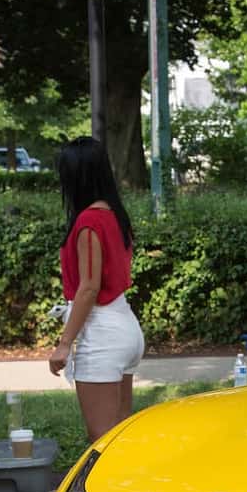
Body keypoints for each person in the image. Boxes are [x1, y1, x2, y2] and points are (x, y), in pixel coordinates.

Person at [49, 136, 145, 442]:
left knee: (102, 442)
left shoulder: (88, 221)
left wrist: (65, 343)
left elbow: (89, 288)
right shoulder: (115, 215)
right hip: (125, 325)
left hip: (102, 332)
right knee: (119, 438)